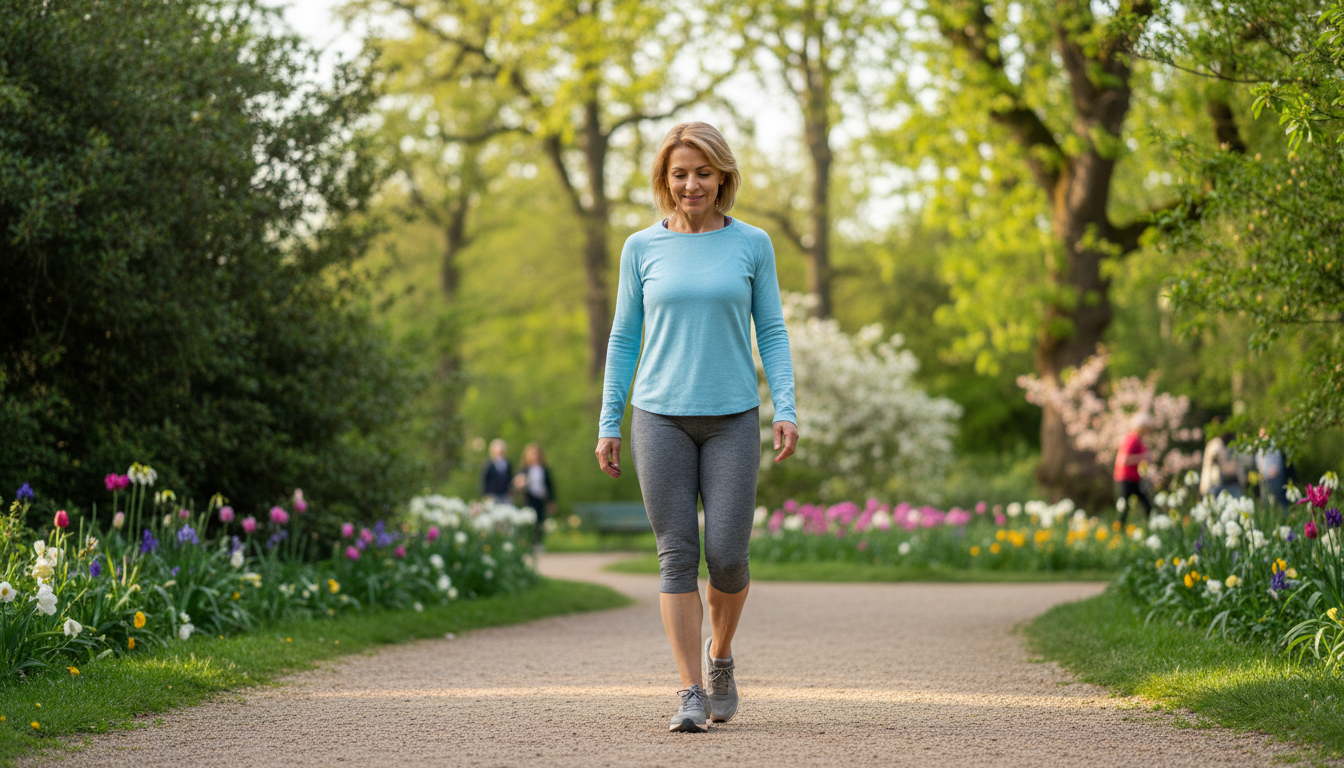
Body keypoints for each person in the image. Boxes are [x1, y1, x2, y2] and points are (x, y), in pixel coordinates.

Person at [594, 122, 798, 734]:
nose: (691, 184)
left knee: (729, 558)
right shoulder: (641, 248)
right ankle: (687, 690)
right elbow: (624, 337)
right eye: (680, 173)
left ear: (723, 177)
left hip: (733, 416)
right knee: (676, 556)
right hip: (659, 417)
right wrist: (610, 420)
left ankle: (720, 657)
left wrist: (784, 407)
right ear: (665, 179)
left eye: (703, 173)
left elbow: (773, 332)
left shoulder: (753, 244)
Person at [513, 443, 555, 546]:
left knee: (540, 520)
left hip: (541, 498)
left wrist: (551, 500)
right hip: (529, 498)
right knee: (529, 520)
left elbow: (550, 485)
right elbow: (516, 484)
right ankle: (528, 542)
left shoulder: (544, 469)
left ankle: (538, 542)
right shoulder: (524, 469)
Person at [1114, 414, 1153, 526]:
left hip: (1134, 478)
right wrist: (1142, 458)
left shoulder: (1138, 440)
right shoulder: (1132, 439)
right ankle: (1118, 529)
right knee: (1125, 507)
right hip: (1126, 478)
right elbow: (1123, 460)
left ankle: (1150, 524)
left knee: (1145, 505)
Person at [1200, 431, 1245, 498]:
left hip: (1234, 482)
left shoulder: (1236, 444)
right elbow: (1207, 467)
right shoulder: (1215, 446)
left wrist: (1243, 480)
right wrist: (1205, 486)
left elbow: (1241, 463)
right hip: (1219, 483)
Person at [480, 439, 512, 504]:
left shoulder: (507, 464)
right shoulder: (489, 465)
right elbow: (484, 481)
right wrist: (485, 495)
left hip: (505, 495)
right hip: (492, 495)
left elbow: (509, 479)